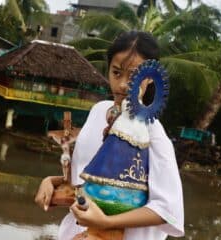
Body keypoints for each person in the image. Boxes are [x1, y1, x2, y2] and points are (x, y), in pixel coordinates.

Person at [35, 31, 184, 239]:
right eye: (116, 73)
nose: (123, 84)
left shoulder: (152, 133)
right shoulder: (98, 111)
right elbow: (87, 181)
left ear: (149, 78)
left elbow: (167, 209)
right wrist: (53, 182)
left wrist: (107, 222)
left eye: (133, 76)